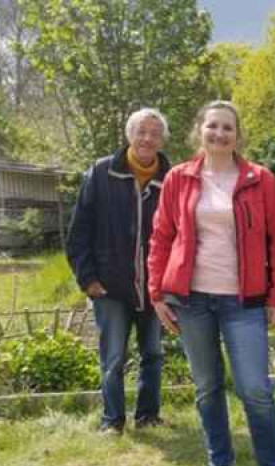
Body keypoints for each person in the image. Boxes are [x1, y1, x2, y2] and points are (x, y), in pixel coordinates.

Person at [148, 101, 275, 466]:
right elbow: (161, 237)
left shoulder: (261, 179)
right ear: (199, 130)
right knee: (207, 388)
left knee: (255, 389)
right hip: (192, 300)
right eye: (213, 126)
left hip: (243, 301)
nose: (219, 134)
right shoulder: (178, 178)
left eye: (228, 128)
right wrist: (157, 292)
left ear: (237, 135)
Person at [66, 108, 171, 435]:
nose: (147, 139)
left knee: (153, 353)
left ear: (162, 139)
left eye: (154, 133)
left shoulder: (172, 178)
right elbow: (78, 231)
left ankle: (148, 416)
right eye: (141, 131)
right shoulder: (101, 172)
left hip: (155, 287)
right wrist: (88, 279)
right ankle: (113, 420)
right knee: (113, 357)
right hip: (109, 285)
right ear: (129, 135)